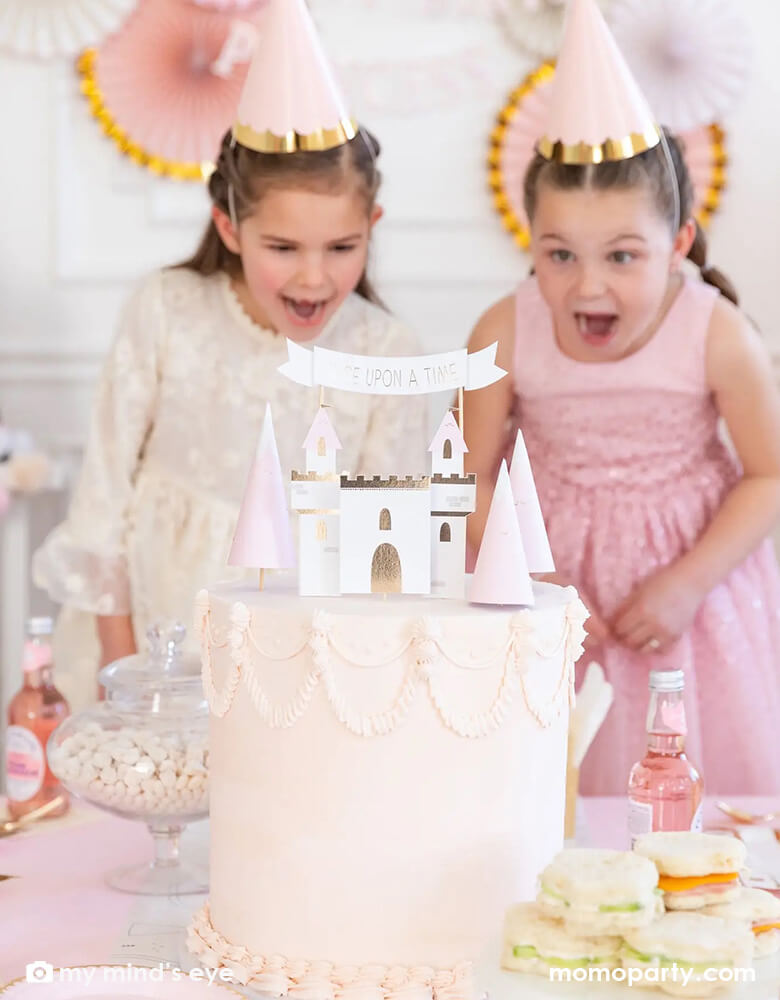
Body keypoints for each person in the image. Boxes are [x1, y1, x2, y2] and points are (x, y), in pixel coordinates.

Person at [33, 0, 427, 709]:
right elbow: (103, 501)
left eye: (342, 246)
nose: (314, 278)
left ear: (373, 225)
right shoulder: (166, 310)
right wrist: (126, 676)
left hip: (303, 665)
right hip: (146, 643)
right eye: (284, 247)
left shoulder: (387, 354)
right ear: (230, 227)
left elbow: (383, 554)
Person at [464, 0, 780, 794]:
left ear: (677, 246)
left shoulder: (717, 333)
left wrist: (689, 582)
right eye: (559, 255)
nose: (588, 286)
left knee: (689, 783)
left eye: (623, 256)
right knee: (552, 788)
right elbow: (463, 481)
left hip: (689, 597)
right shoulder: (503, 331)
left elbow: (769, 475)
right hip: (545, 584)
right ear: (529, 239)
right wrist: (531, 579)